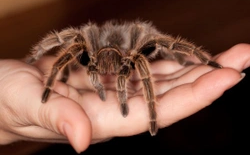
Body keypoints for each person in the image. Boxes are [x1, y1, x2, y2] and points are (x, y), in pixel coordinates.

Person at [0, 43, 249, 153]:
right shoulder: (89, 55)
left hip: (125, 57)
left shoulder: (131, 58)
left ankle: (202, 59)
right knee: (74, 44)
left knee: (152, 45)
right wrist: (43, 69)